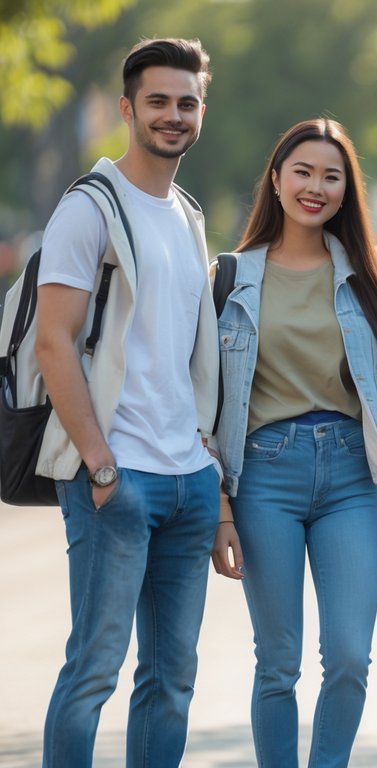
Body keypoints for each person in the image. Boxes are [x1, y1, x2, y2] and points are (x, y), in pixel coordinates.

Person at [33, 38, 219, 767]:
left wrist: (205, 461)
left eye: (187, 102)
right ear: (126, 109)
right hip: (118, 476)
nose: (174, 116)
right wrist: (101, 466)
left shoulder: (188, 212)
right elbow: (55, 342)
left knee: (172, 679)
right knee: (93, 672)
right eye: (159, 102)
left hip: (188, 479)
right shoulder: (90, 208)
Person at [208, 118, 377, 767]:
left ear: (347, 189)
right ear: (277, 179)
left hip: (349, 474)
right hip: (266, 477)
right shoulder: (231, 278)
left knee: (349, 655)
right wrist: (222, 509)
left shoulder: (366, 276)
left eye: (331, 175)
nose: (316, 187)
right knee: (278, 660)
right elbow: (202, 402)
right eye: (304, 172)